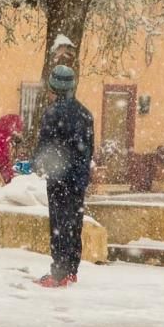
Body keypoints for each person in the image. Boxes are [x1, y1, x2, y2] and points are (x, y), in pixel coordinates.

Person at [33, 65, 94, 288]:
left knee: (59, 223)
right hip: (78, 180)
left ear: (54, 87)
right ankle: (71, 270)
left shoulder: (53, 113)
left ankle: (57, 274)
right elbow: (89, 150)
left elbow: (46, 148)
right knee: (74, 222)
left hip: (59, 179)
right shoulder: (86, 114)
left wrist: (36, 164)